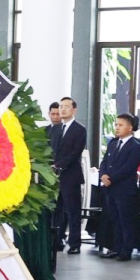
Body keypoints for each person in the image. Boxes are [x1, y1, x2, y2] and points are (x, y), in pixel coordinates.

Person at [97, 113, 140, 261]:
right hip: (110, 189)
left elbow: (129, 167)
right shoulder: (113, 143)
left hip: (125, 190)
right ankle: (116, 247)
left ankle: (126, 250)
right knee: (113, 219)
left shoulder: (135, 146)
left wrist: (112, 178)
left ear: (130, 128)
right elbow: (104, 161)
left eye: (120, 125)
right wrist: (103, 175)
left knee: (125, 220)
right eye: (116, 125)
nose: (117, 127)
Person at [51, 96, 86, 254]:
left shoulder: (80, 130)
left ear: (74, 110)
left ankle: (75, 243)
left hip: (70, 176)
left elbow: (75, 153)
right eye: (61, 106)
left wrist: (58, 165)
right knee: (56, 211)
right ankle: (57, 240)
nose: (62, 109)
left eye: (66, 106)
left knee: (72, 211)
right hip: (53, 176)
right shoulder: (56, 128)